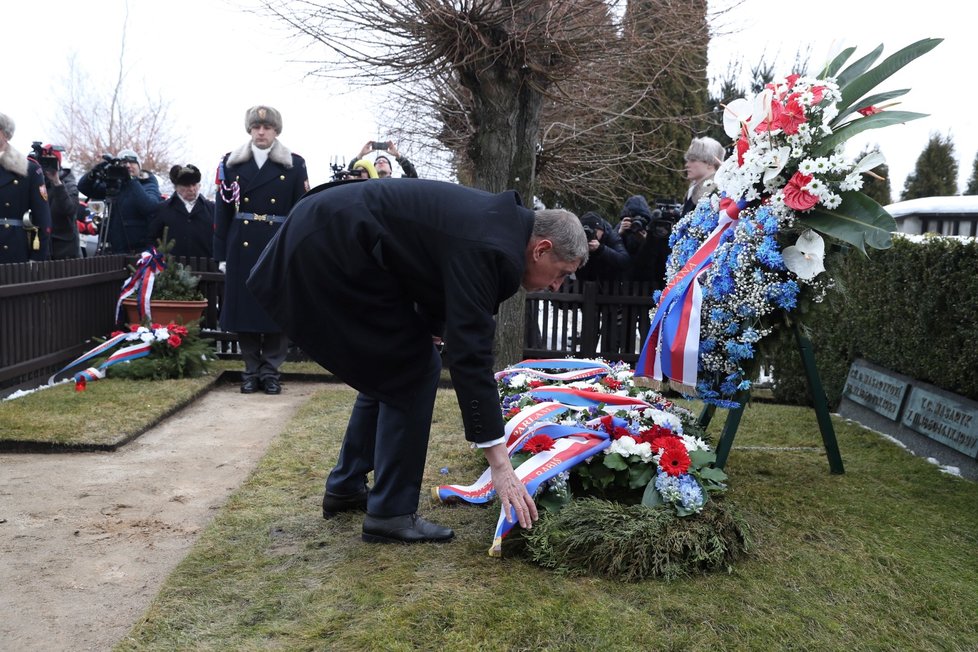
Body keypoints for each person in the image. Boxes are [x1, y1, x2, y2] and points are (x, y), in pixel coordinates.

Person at [247, 178, 588, 544]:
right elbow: (470, 355)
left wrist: (431, 325)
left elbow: (430, 260)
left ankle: (346, 487)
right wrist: (500, 464)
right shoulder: (495, 247)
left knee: (397, 362)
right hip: (328, 245)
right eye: (563, 273)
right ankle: (390, 513)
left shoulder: (500, 228)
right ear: (542, 249)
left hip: (333, 234)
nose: (558, 286)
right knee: (412, 367)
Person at [214, 105, 309, 396]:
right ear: (250, 130)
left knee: (276, 310)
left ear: (276, 131)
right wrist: (221, 255)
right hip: (241, 244)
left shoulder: (293, 164)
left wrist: (296, 249)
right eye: (256, 127)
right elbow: (222, 213)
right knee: (245, 311)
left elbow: (301, 210)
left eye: (267, 128)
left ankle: (271, 371)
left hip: (277, 243)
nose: (261, 132)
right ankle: (250, 370)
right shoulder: (231, 164)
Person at [77, 148, 162, 254]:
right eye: (124, 163)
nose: (128, 166)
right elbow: (83, 187)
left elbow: (150, 207)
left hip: (138, 250)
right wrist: (96, 170)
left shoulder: (147, 182)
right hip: (115, 248)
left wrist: (130, 180)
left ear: (139, 166)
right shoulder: (115, 185)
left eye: (132, 162)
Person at [0, 112, 51, 263]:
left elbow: (43, 219)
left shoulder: (29, 169)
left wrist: (36, 258)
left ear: (4, 134)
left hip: (12, 249)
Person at [148, 164, 215, 257]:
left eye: (194, 184)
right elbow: (152, 238)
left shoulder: (212, 209)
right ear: (176, 187)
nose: (191, 189)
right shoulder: (162, 209)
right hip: (172, 268)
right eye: (186, 185)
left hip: (206, 267)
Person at [34, 144, 81, 259]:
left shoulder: (68, 182)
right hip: (42, 247)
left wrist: (56, 182)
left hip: (65, 251)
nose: (46, 165)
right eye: (43, 161)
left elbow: (69, 209)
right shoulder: (37, 182)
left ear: (58, 163)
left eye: (50, 161)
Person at [679, 136, 726, 216]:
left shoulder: (715, 194)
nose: (687, 165)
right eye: (688, 160)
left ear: (710, 163)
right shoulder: (694, 190)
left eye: (693, 160)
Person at [350, 140, 419, 178]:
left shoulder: (399, 184)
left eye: (385, 161)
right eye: (377, 162)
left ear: (390, 170)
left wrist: (398, 156)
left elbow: (413, 177)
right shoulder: (366, 182)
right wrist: (361, 154)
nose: (381, 162)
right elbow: (350, 173)